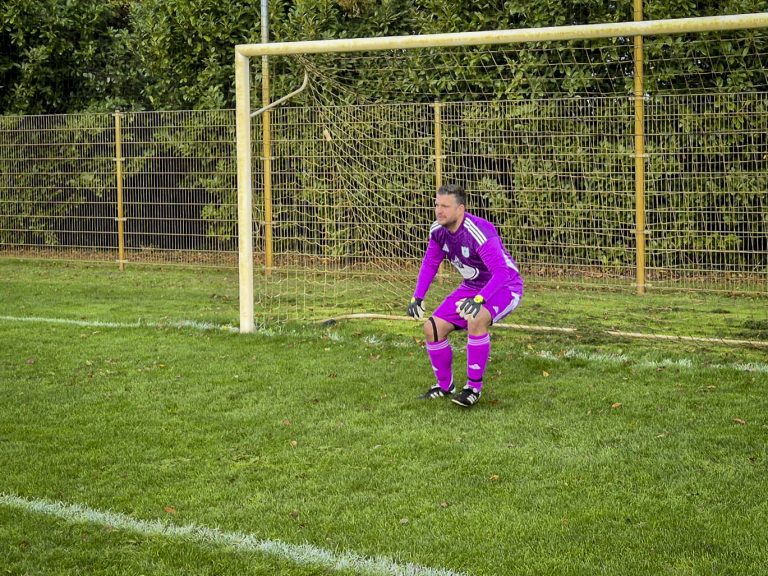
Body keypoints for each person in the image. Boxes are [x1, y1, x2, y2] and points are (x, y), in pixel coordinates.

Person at [407, 183, 524, 407]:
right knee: (432, 327)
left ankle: (473, 388)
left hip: (505, 285)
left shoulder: (478, 231)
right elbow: (431, 263)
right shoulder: (438, 231)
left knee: (476, 317)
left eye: (445, 206)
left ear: (460, 209)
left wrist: (479, 299)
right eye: (436, 205)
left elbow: (501, 272)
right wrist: (417, 297)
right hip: (472, 285)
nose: (439, 211)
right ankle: (444, 386)